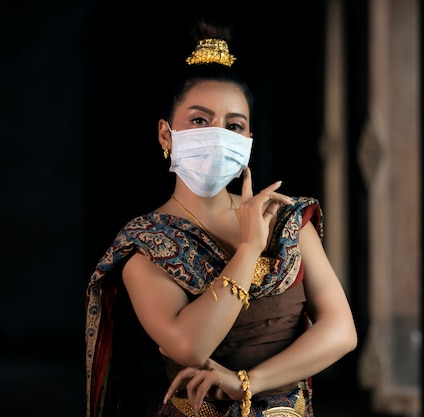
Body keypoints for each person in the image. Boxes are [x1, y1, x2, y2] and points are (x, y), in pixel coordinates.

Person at [85, 19, 357, 417]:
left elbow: (341, 331)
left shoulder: (284, 218)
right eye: (199, 120)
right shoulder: (146, 243)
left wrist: (246, 384)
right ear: (166, 135)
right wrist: (249, 248)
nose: (217, 135)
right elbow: (190, 345)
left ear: (246, 142)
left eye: (233, 126)